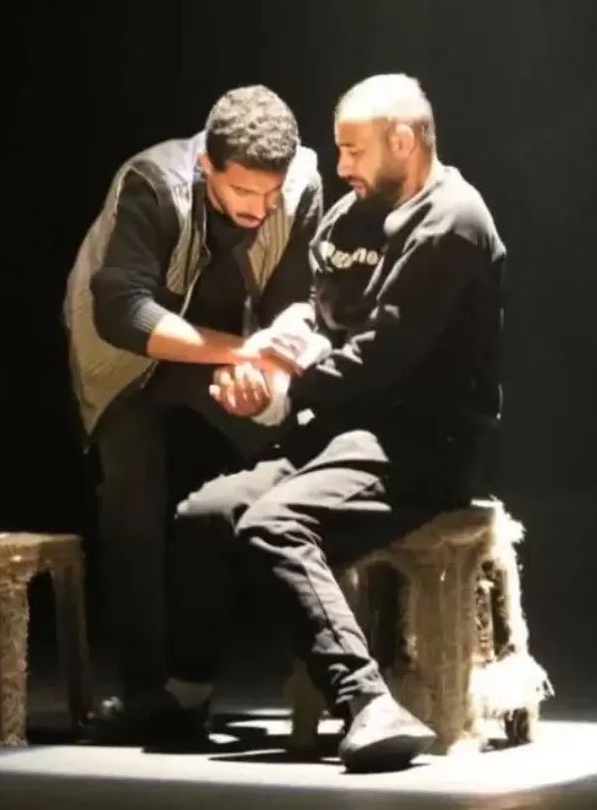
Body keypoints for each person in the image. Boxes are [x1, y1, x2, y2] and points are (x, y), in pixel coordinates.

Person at [181, 73, 507, 771]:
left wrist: (279, 391)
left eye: (353, 150)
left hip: (422, 443)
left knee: (275, 524)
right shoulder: (351, 215)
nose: (341, 166)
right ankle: (184, 697)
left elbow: (383, 355)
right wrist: (276, 351)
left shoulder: (454, 220)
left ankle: (369, 704)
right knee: (204, 513)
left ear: (404, 140)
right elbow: (320, 314)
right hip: (342, 432)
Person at [62, 85, 323, 744]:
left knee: (286, 460)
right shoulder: (152, 183)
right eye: (243, 192)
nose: (260, 208)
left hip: (232, 337)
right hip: (129, 350)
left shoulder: (302, 185)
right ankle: (146, 693)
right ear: (207, 164)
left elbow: (298, 297)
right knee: (132, 499)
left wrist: (265, 365)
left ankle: (274, 674)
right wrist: (239, 349)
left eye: (271, 194)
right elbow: (122, 309)